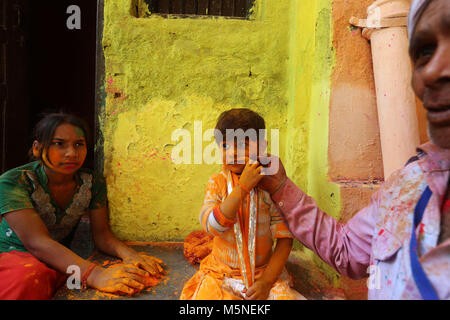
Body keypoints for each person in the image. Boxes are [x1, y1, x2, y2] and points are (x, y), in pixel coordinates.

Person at [256, 0, 450, 300]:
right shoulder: (410, 183)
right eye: (425, 52)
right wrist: (281, 187)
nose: (433, 71)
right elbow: (346, 250)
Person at [0, 113, 163, 299]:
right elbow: (37, 242)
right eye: (59, 144)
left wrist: (131, 255)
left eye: (79, 144)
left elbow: (102, 235)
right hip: (13, 261)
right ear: (37, 148)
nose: (72, 153)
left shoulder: (92, 182)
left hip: (57, 262)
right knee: (30, 278)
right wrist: (95, 274)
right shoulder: (13, 182)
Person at [180, 109, 305, 300]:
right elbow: (212, 226)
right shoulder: (217, 183)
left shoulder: (270, 187)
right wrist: (243, 188)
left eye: (243, 145)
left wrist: (266, 283)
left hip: (263, 275)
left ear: (262, 147)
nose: (232, 153)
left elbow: (285, 240)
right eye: (225, 146)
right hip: (222, 274)